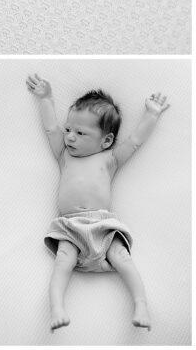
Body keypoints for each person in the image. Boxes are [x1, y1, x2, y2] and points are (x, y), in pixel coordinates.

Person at [25, 74, 169, 331]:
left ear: (106, 141)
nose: (70, 137)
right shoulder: (64, 155)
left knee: (122, 257)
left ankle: (140, 303)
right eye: (69, 129)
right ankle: (57, 307)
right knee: (63, 261)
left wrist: (152, 115)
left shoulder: (110, 159)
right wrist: (45, 99)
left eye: (80, 133)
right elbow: (51, 129)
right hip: (69, 227)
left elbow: (135, 141)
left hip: (102, 224)